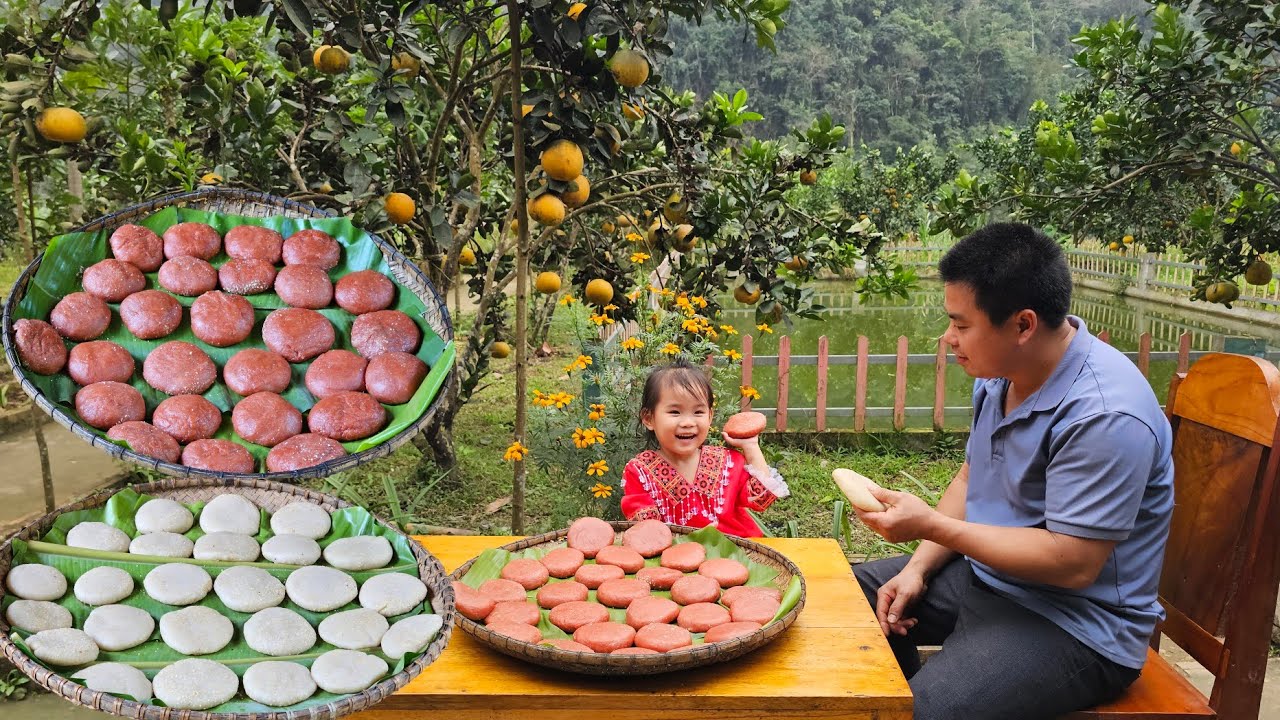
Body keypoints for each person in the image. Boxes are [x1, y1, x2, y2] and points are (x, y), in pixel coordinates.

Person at [850, 223, 1175, 719]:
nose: (948, 338)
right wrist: (917, 567)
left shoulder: (1104, 414)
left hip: (1074, 622)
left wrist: (931, 526)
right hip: (990, 577)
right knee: (842, 603)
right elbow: (969, 478)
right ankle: (930, 680)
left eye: (961, 325)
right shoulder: (1001, 376)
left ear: (1023, 325)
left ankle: (934, 694)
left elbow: (1072, 562)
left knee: (913, 713)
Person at [621, 359, 788, 537]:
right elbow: (648, 533)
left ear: (710, 416)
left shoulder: (729, 463)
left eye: (698, 412)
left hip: (738, 553)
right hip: (676, 559)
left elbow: (760, 499)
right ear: (648, 418)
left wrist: (751, 447)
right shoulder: (640, 471)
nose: (688, 422)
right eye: (675, 412)